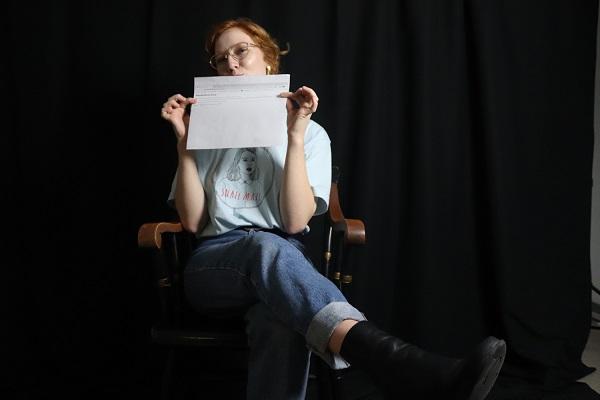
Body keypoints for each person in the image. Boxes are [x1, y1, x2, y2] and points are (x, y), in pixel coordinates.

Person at [160, 17, 506, 400]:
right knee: (262, 247)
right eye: (221, 59)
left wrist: (294, 135)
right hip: (216, 264)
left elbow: (293, 222)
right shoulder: (205, 133)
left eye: (241, 51)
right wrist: (184, 142)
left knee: (279, 318)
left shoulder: (312, 133)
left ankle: (410, 369)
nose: (232, 64)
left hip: (282, 261)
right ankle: (394, 362)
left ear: (269, 60)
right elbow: (191, 221)